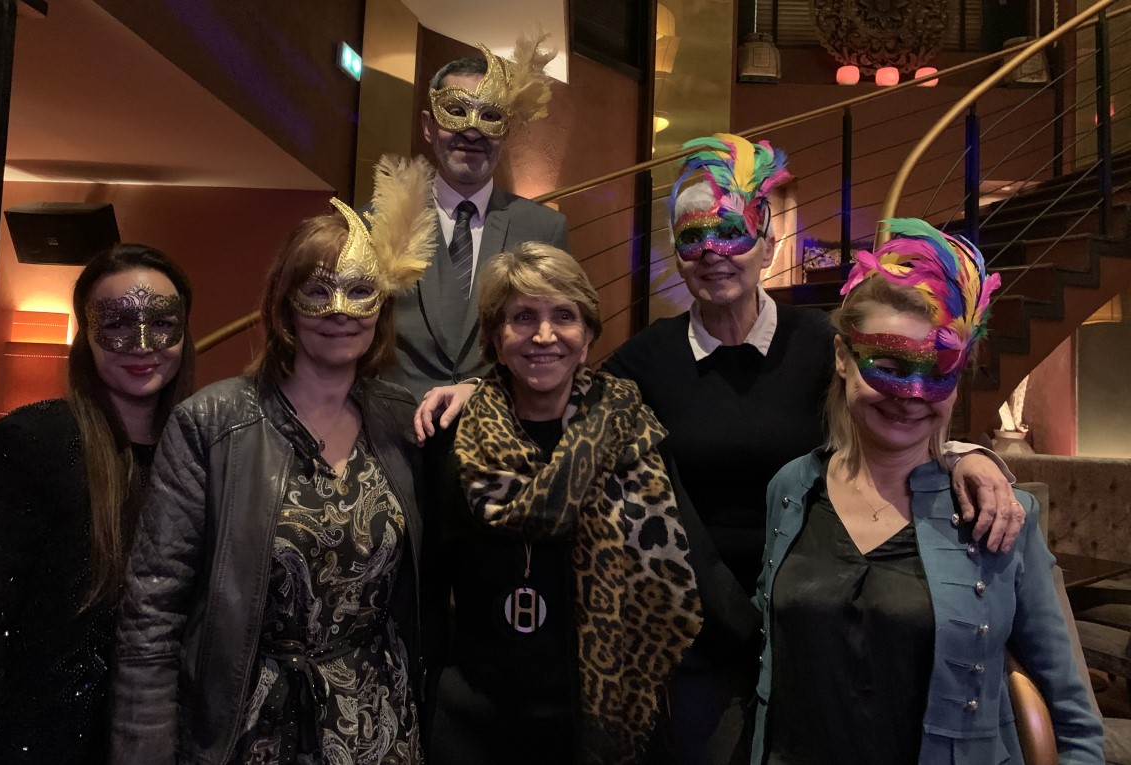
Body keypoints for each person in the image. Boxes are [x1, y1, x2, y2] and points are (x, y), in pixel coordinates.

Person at [414, 134, 1023, 764]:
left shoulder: (822, 345)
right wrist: (478, 388)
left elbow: (900, 408)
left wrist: (969, 456)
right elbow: (561, 377)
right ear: (675, 255)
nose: (712, 252)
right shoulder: (645, 363)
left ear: (768, 240)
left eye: (731, 230)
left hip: (815, 611)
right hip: (698, 637)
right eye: (691, 236)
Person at [108, 156, 438, 765]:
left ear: (381, 308)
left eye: (360, 290)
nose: (340, 309)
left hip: (382, 727)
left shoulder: (402, 424)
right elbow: (151, 617)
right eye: (318, 290)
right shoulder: (211, 425)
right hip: (250, 731)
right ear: (285, 306)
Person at [753, 219, 1104, 764]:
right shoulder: (792, 489)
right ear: (843, 357)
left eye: (938, 371)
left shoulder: (999, 513)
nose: (912, 394)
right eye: (889, 365)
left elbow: (1073, 716)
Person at [422, 241, 709, 765]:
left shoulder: (631, 434)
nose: (544, 335)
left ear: (590, 335)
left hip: (596, 715)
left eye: (564, 316)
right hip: (474, 719)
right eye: (523, 317)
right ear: (494, 335)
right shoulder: (454, 437)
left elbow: (694, 563)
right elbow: (427, 584)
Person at [0, 244, 196, 764]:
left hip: (167, 740)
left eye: (161, 322)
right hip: (45, 742)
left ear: (185, 330)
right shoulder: (28, 444)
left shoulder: (203, 451)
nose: (141, 344)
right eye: (116, 323)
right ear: (85, 336)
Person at [387, 33, 569, 400]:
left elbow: (556, 341)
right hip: (393, 436)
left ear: (505, 132)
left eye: (490, 116)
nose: (471, 130)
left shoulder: (544, 229)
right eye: (455, 112)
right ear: (427, 126)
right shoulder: (376, 222)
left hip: (500, 434)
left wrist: (477, 390)